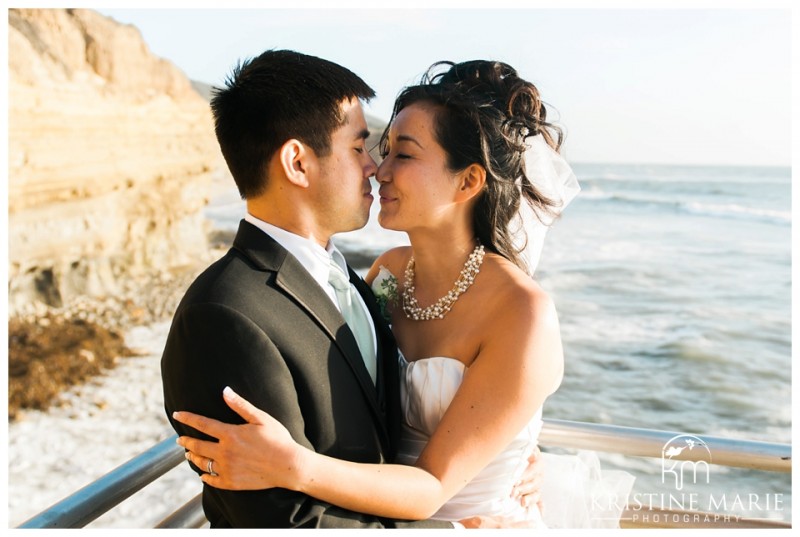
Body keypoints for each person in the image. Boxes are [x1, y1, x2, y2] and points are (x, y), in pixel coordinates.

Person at [174, 59, 631, 528]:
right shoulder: (387, 275)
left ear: (469, 180)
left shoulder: (522, 313)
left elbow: (437, 481)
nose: (378, 170)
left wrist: (295, 465)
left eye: (403, 155)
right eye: (376, 149)